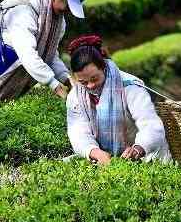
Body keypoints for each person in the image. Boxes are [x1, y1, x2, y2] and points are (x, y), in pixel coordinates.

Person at [66, 35, 172, 165]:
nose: (90, 86)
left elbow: (151, 125)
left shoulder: (130, 87)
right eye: (83, 82)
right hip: (107, 160)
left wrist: (138, 148)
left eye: (94, 79)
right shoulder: (76, 95)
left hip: (147, 158)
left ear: (104, 67)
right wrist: (95, 152)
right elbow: (77, 131)